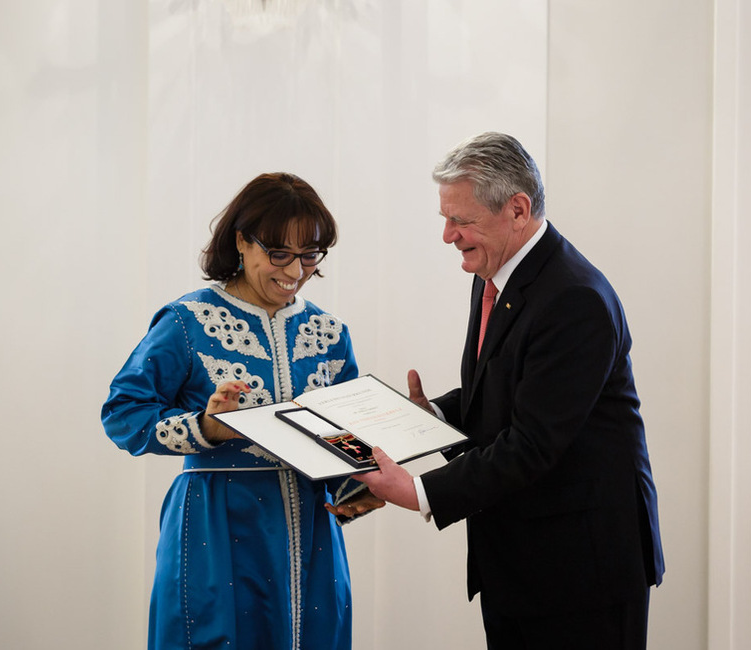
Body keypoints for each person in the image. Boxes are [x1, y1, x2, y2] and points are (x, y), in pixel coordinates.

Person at [350, 133, 665, 649]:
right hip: (520, 565)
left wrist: (420, 491)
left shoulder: (575, 298)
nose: (448, 235)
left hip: (581, 575)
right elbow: (508, 392)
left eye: (462, 221)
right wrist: (429, 415)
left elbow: (533, 443)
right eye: (445, 219)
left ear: (517, 209)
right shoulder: (496, 270)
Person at [102, 172, 382, 650]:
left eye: (309, 255)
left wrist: (359, 485)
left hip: (311, 534)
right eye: (279, 254)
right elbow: (123, 413)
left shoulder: (330, 334)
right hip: (216, 528)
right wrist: (204, 428)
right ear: (242, 242)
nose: (295, 271)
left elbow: (341, 435)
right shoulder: (188, 322)